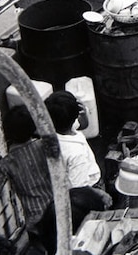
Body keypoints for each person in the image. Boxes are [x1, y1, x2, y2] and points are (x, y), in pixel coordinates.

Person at [0, 106, 55, 255]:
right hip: (56, 211)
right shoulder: (44, 146)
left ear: (7, 133)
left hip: (37, 222)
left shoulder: (6, 164)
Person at [44, 91, 111, 232]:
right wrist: (100, 194)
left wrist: (83, 115)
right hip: (89, 189)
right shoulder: (75, 154)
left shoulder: (54, 131)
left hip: (68, 184)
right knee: (94, 224)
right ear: (74, 115)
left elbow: (82, 125)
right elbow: (78, 188)